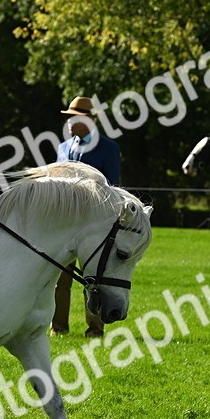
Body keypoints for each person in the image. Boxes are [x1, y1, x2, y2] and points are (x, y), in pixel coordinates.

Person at [52, 96, 121, 338]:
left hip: (93, 224)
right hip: (64, 224)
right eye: (69, 117)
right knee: (60, 279)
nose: (70, 122)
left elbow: (112, 188)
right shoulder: (63, 147)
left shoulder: (109, 149)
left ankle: (95, 328)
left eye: (75, 117)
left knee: (92, 279)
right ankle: (58, 327)